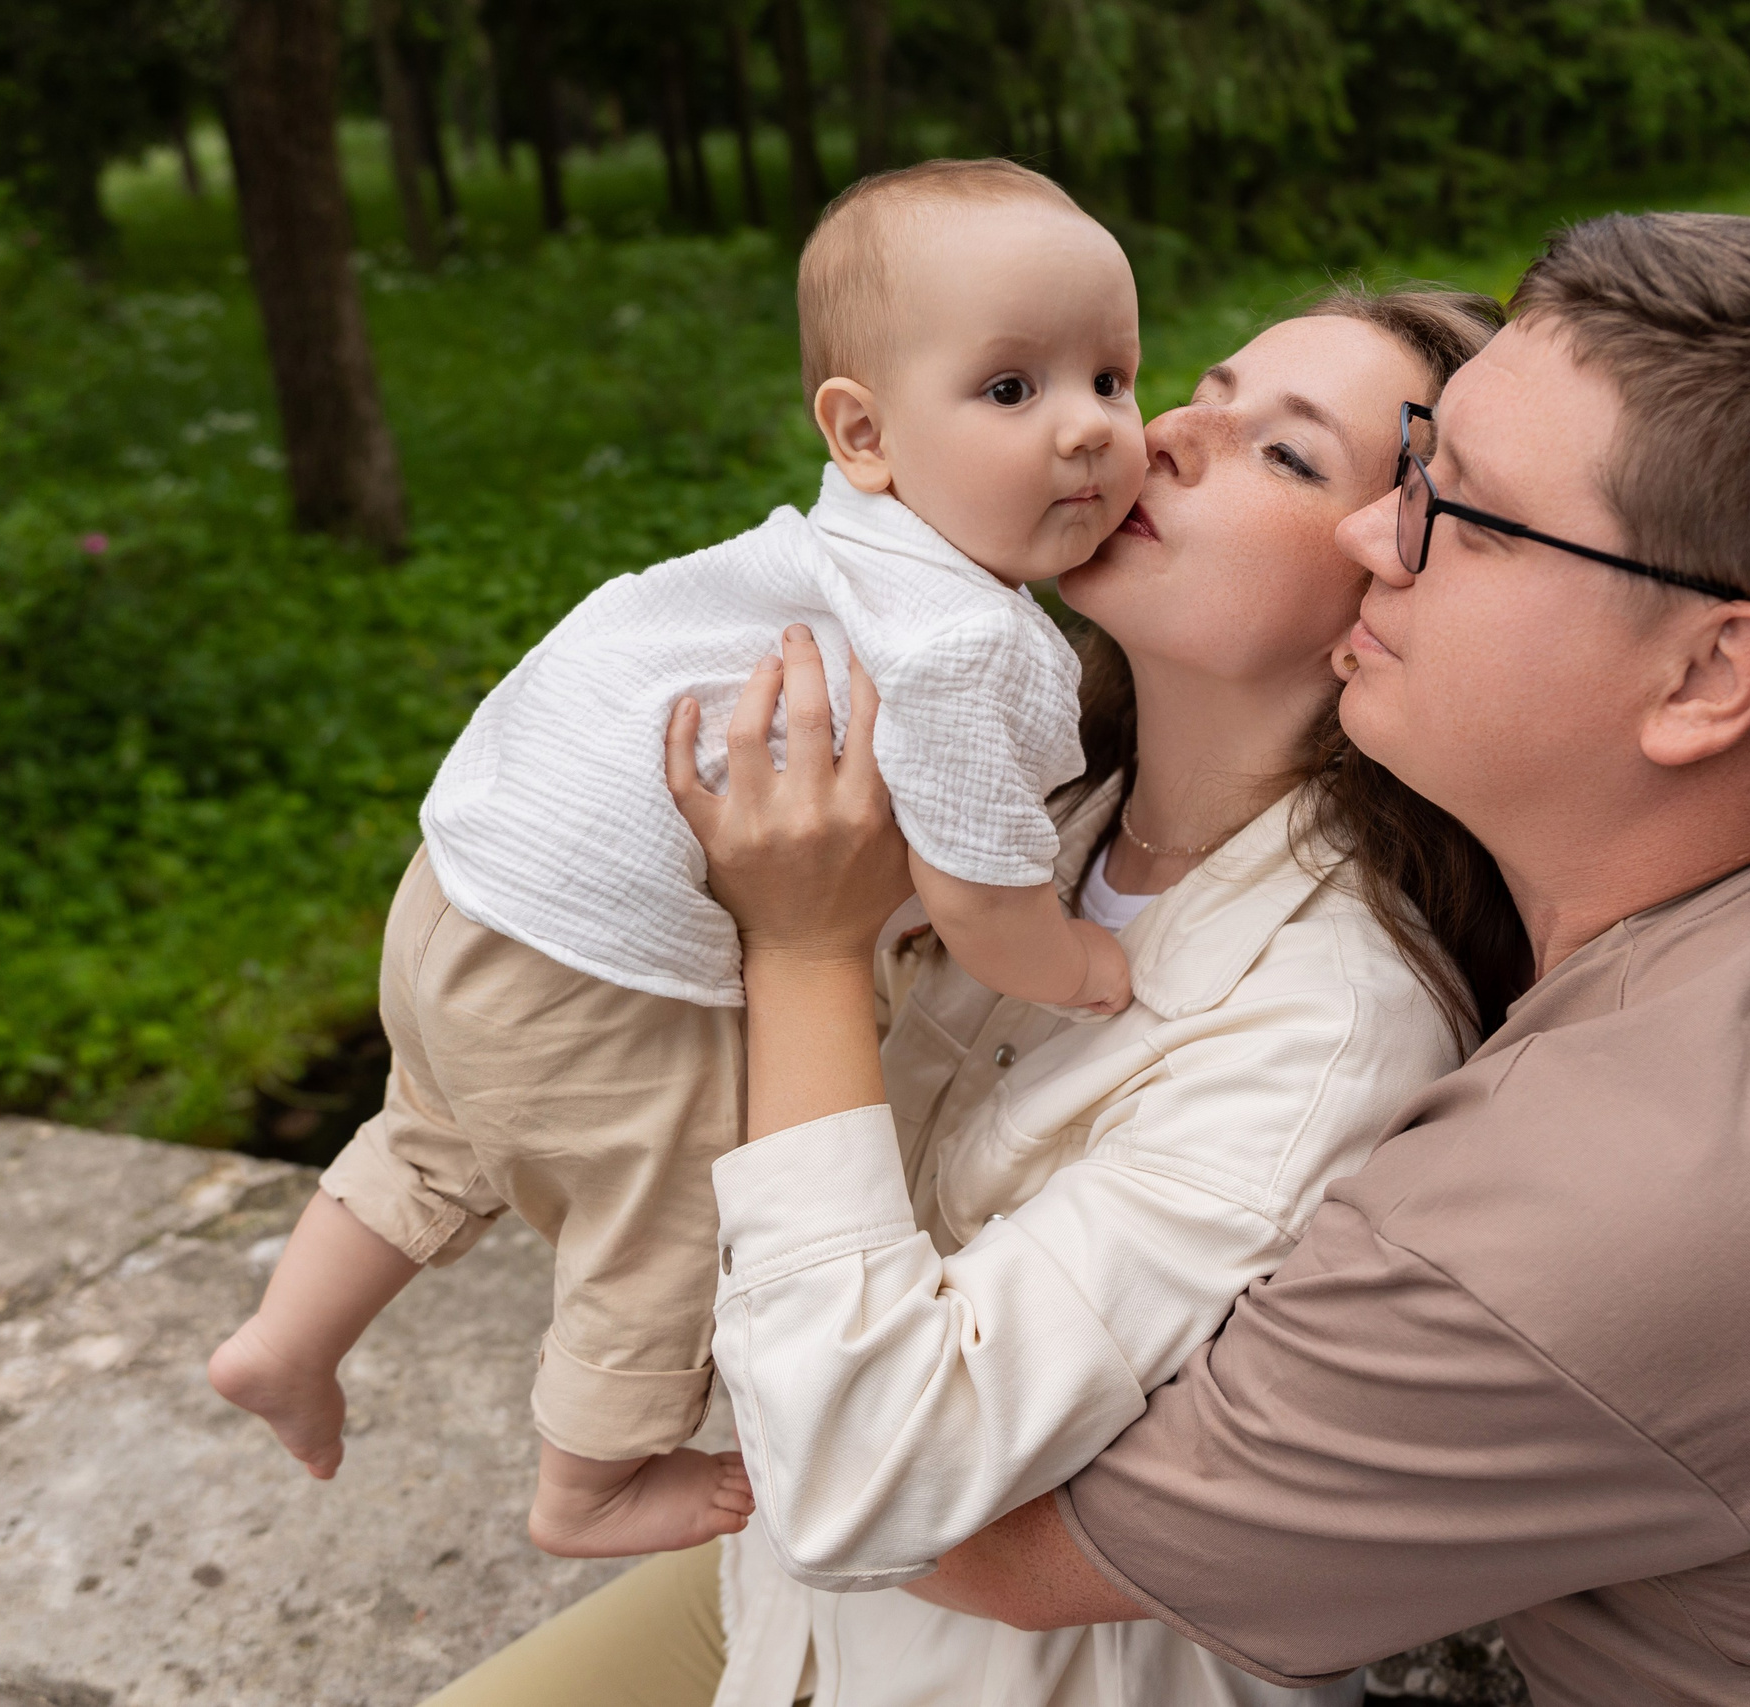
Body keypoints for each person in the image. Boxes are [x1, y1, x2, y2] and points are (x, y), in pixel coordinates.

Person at [711, 214, 1750, 1705]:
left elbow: (912, 1515)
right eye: (1411, 467)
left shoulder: (1610, 1180)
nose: (1380, 539)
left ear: (1714, 678)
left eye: (1469, 514)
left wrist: (796, 958)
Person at [420, 285, 1519, 1705]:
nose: (1165, 436)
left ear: (1386, 580)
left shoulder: (1331, 1023)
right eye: (1202, 392)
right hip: (779, 1616)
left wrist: (805, 949)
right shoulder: (1027, 810)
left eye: (1286, 454)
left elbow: (864, 1477)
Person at [206, 157, 1154, 1562]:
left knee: (440, 1123)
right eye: (1014, 391)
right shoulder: (960, 637)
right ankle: (586, 1480)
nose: (1085, 431)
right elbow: (978, 897)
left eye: (1115, 380)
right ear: (865, 433)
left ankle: (285, 1340)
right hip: (603, 962)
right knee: (676, 1205)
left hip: (467, 895)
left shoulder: (822, 557)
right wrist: (1086, 966)